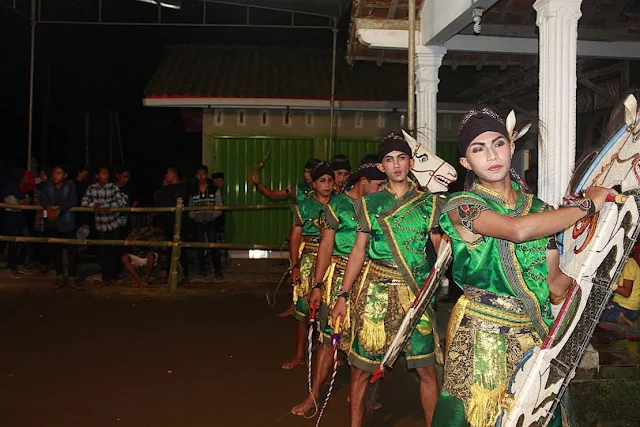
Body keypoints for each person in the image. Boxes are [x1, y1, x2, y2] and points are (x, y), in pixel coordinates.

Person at [430, 108, 615, 427]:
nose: (491, 154)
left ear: (512, 147)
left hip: (533, 335)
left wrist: (594, 281)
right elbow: (517, 230)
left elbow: (554, 281)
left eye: (498, 143)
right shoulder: (460, 206)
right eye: (478, 148)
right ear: (466, 163)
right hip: (480, 336)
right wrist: (586, 206)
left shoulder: (542, 211)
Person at [331, 133, 441, 427]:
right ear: (381, 167)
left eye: (401, 158)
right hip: (376, 294)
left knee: (427, 370)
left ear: (411, 162)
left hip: (415, 295)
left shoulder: (429, 204)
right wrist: (342, 295)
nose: (396, 165)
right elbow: (358, 251)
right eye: (389, 160)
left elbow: (440, 250)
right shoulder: (369, 204)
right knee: (361, 370)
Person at [291, 155, 385, 416]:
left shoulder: (378, 206)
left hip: (370, 280)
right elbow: (326, 246)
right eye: (378, 185)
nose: (382, 190)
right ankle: (313, 396)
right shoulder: (337, 206)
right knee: (328, 340)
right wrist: (317, 285)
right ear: (364, 182)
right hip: (338, 279)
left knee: (368, 340)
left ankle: (366, 395)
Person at [282, 162, 335, 370]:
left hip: (333, 261)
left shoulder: (340, 204)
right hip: (308, 258)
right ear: (314, 184)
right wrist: (294, 266)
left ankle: (333, 356)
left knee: (330, 309)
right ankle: (299, 354)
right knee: (302, 309)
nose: (327, 185)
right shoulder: (303, 206)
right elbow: (295, 238)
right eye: (322, 181)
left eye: (330, 181)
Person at [81, 166, 128, 286]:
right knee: (103, 252)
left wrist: (105, 206)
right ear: (97, 176)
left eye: (106, 174)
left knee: (113, 251)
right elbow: (84, 202)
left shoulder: (113, 187)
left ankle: (113, 276)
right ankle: (106, 276)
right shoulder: (92, 188)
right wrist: (95, 205)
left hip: (113, 223)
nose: (105, 176)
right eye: (103, 174)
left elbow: (121, 202)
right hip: (101, 224)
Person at [41, 165, 81, 290]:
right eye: (54, 173)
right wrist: (48, 207)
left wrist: (59, 209)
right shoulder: (48, 185)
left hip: (67, 223)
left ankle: (72, 277)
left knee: (72, 251)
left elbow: (73, 200)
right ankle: (59, 276)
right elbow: (42, 199)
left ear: (65, 175)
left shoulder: (69, 185)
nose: (55, 176)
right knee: (55, 251)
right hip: (52, 223)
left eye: (58, 173)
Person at [188, 165, 223, 278]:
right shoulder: (193, 190)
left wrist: (213, 216)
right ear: (196, 176)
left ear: (206, 175)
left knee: (213, 246)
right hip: (198, 223)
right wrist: (194, 216)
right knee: (200, 246)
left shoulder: (214, 189)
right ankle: (202, 269)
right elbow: (190, 206)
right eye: (199, 174)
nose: (201, 176)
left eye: (203, 174)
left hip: (211, 222)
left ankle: (217, 270)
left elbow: (219, 205)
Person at [250, 158, 321, 203]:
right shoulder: (298, 189)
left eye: (309, 172)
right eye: (305, 171)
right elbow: (273, 194)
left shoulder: (328, 189)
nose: (306, 175)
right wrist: (258, 184)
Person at [121, 218, 165, 288]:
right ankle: (138, 280)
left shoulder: (160, 235)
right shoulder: (139, 230)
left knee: (151, 255)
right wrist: (137, 240)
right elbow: (129, 238)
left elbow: (161, 250)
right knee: (124, 258)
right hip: (137, 254)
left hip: (150, 257)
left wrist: (164, 267)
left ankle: (145, 281)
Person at [601, 254, 640, 326]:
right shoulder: (625, 262)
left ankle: (617, 317)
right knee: (605, 305)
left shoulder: (629, 265)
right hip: (627, 307)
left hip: (628, 309)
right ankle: (615, 312)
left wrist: (611, 285)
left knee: (597, 313)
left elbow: (626, 293)